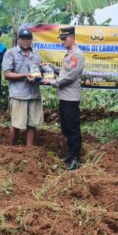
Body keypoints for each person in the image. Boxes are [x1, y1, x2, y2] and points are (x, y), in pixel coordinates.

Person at [43, 26, 85, 170]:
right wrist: (52, 68)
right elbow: (64, 71)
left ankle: (76, 158)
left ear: (72, 38)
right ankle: (70, 153)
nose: (62, 41)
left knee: (73, 128)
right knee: (66, 127)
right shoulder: (69, 54)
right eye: (60, 39)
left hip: (71, 98)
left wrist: (53, 82)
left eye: (64, 38)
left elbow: (71, 76)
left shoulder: (77, 55)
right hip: (64, 97)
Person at [2, 28, 43, 147]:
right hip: (19, 94)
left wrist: (44, 73)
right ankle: (12, 149)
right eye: (23, 38)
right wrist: (25, 75)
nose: (26, 41)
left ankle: (29, 151)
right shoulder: (10, 53)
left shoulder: (36, 54)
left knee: (32, 124)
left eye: (28, 38)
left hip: (34, 94)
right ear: (18, 39)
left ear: (31, 40)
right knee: (16, 124)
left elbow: (37, 71)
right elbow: (7, 74)